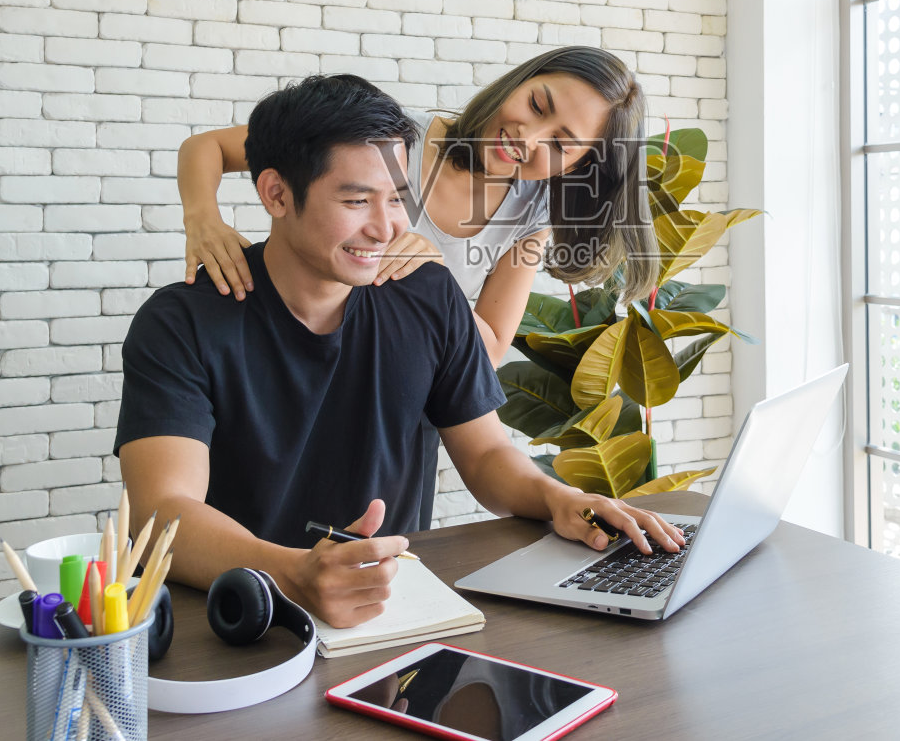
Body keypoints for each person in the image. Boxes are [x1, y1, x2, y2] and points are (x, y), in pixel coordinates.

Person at [115, 74, 684, 628]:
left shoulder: (430, 292)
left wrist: (560, 498)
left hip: (387, 610)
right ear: (276, 193)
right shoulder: (182, 322)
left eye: (398, 200)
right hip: (237, 614)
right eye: (357, 200)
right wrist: (293, 573)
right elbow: (161, 510)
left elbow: (486, 454)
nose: (388, 228)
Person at [177, 46, 656, 364]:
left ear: (577, 166)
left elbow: (488, 350)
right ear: (518, 83)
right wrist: (203, 219)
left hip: (391, 393)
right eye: (536, 105)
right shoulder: (392, 138)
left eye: (560, 144)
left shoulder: (530, 215)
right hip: (286, 354)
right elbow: (208, 147)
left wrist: (435, 278)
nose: (527, 137)